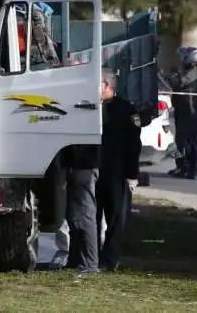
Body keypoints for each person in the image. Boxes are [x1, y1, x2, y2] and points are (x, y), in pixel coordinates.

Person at [96, 68, 142, 272]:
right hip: (94, 170)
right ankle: (90, 256)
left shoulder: (126, 110)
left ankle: (110, 259)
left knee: (116, 217)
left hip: (117, 171)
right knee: (91, 215)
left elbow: (134, 145)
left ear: (107, 85)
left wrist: (132, 175)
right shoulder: (90, 108)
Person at [166, 46, 197, 179]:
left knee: (182, 141)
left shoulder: (183, 78)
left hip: (186, 114)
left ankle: (184, 167)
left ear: (189, 61)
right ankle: (195, 170)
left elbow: (173, 84)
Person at [62, 113, 101, 276]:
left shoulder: (91, 116)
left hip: (85, 167)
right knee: (75, 217)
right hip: (78, 166)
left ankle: (90, 264)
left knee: (86, 217)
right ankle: (76, 258)